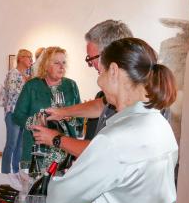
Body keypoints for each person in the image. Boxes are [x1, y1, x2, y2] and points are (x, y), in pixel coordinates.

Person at [41, 38, 178, 203]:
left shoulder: (115, 139)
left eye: (101, 71)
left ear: (114, 70)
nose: (99, 80)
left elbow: (58, 198)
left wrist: (83, 192)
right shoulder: (158, 123)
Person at [43, 20, 135, 158]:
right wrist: (62, 112)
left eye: (92, 58)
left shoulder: (130, 98)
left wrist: (56, 139)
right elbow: (100, 105)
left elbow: (99, 152)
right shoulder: (124, 90)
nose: (91, 64)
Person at [12, 46, 80, 162]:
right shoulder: (32, 86)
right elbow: (17, 116)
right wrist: (36, 122)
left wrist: (71, 118)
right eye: (57, 63)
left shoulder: (71, 85)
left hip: (65, 149)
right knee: (36, 180)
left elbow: (79, 116)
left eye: (63, 62)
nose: (62, 66)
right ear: (46, 66)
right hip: (37, 149)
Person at [0, 49, 32, 173]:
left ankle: (16, 172)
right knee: (11, 144)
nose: (31, 60)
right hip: (13, 113)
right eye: (28, 57)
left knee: (20, 146)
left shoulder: (27, 76)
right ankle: (5, 173)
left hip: (23, 114)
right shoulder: (13, 73)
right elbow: (13, 92)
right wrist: (26, 84)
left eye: (31, 57)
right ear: (20, 58)